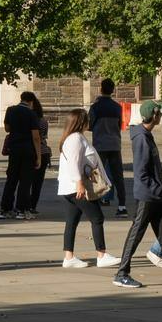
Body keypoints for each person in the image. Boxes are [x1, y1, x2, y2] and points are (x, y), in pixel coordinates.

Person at [109, 101, 162, 288]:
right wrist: (157, 189)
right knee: (136, 233)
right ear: (155, 115)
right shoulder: (142, 138)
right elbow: (141, 172)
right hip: (148, 195)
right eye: (160, 113)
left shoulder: (146, 135)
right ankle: (122, 273)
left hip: (156, 195)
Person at [54, 108, 118, 269]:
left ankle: (69, 257)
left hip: (69, 187)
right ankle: (101, 254)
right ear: (81, 122)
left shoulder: (72, 138)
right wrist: (79, 184)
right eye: (87, 119)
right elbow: (74, 163)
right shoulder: (75, 139)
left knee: (72, 221)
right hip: (76, 187)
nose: (89, 122)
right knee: (97, 218)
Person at [88, 80, 127, 215]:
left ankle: (95, 201)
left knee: (97, 174)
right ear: (113, 90)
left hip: (100, 144)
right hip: (115, 144)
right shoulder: (117, 107)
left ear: (101, 89)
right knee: (118, 176)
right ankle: (122, 206)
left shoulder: (95, 107)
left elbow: (89, 125)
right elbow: (118, 125)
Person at [0, 90, 39, 219]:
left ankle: (5, 209)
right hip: (27, 149)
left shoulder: (11, 110)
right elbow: (36, 137)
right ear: (31, 101)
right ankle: (21, 209)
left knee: (11, 179)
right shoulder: (31, 113)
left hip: (14, 148)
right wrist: (39, 156)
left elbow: (7, 128)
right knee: (25, 181)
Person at [23, 92, 49, 217]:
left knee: (27, 180)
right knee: (38, 183)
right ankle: (33, 205)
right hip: (44, 152)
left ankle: (26, 205)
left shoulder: (27, 120)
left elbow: (35, 137)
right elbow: (43, 136)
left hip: (30, 151)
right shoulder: (43, 121)